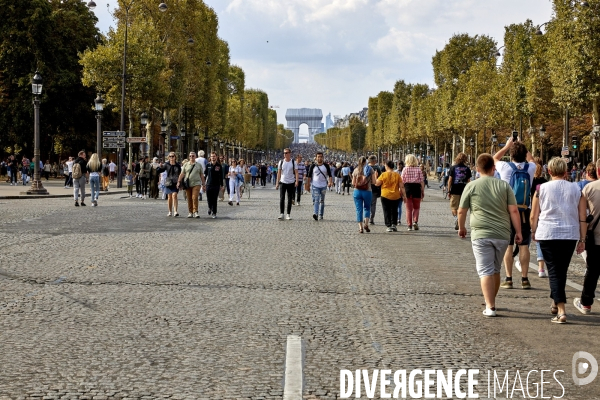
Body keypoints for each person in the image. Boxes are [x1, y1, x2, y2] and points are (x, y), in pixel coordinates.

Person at [458, 154, 523, 317]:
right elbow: (513, 210)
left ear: (478, 169)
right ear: (494, 169)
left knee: (485, 270)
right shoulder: (504, 186)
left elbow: (461, 210)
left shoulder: (471, 186)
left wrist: (461, 227)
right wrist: (519, 232)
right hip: (502, 233)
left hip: (481, 232)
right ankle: (491, 299)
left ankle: (490, 306)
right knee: (495, 269)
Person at [530, 157, 587, 323]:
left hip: (548, 233)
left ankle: (561, 311)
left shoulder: (541, 189)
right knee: (560, 270)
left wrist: (533, 230)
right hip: (569, 234)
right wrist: (582, 238)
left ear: (549, 171)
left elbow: (534, 214)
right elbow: (582, 216)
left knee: (554, 272)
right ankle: (555, 302)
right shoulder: (576, 189)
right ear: (566, 171)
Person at [493, 137, 536, 290]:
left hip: (508, 210)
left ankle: (509, 278)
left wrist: (506, 146)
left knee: (508, 244)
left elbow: (494, 159)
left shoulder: (505, 167)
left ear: (511, 155)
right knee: (524, 245)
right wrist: (524, 146)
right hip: (525, 210)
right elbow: (532, 160)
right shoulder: (530, 168)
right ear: (524, 154)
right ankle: (525, 279)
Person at [575, 158, 600, 314]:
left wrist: (582, 239)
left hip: (595, 236)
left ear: (598, 171)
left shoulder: (589, 188)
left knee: (592, 270)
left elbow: (582, 217)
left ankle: (586, 303)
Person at [375, 160, 405, 232]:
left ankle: (388, 225)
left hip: (385, 195)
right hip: (395, 195)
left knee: (386, 210)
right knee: (394, 210)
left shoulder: (383, 174)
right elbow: (402, 187)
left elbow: (377, 184)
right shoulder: (397, 175)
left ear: (387, 166)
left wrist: (375, 177)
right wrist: (404, 196)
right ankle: (394, 224)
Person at [305, 151, 333, 221]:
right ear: (316, 158)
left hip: (323, 186)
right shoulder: (313, 166)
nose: (320, 158)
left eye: (321, 157)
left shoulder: (326, 166)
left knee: (322, 201)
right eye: (318, 157)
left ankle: (321, 214)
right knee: (316, 200)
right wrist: (307, 185)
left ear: (323, 158)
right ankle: (315, 213)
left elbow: (330, 175)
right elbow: (309, 176)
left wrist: (330, 182)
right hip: (315, 185)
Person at [352, 156, 376, 233]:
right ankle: (366, 224)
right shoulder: (370, 169)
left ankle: (360, 228)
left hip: (357, 191)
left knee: (359, 209)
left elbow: (353, 183)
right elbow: (374, 182)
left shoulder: (356, 170)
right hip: (367, 191)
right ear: (366, 162)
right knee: (367, 208)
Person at [448, 153, 472, 230]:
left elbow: (450, 180)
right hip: (464, 190)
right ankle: (459, 220)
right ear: (465, 159)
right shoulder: (467, 169)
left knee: (453, 208)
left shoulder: (453, 168)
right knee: (462, 207)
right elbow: (469, 181)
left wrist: (448, 190)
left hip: (454, 190)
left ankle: (456, 219)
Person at [178, 152, 205, 218]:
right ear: (189, 157)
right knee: (189, 198)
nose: (191, 157)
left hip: (196, 183)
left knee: (194, 197)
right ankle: (190, 212)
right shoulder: (186, 165)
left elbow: (201, 175)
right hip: (188, 184)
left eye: (193, 156)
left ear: (195, 157)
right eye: (190, 156)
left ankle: (195, 211)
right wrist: (178, 181)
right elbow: (182, 174)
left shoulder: (199, 165)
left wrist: (203, 184)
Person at [401, 154, 424, 231]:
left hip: (407, 188)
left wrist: (401, 191)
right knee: (416, 207)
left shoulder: (405, 169)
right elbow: (421, 181)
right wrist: (422, 191)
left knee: (408, 209)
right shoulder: (418, 169)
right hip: (417, 188)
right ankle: (415, 221)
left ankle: (409, 225)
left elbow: (402, 181)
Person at [276, 148, 299, 220]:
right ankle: (282, 213)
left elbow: (296, 172)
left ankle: (288, 214)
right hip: (283, 182)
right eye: (284, 153)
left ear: (289, 153)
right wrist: (277, 183)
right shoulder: (281, 162)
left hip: (291, 182)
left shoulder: (293, 162)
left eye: (286, 153)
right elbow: (279, 173)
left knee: (289, 199)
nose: (285, 154)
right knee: (282, 198)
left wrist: (297, 181)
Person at [160, 152, 182, 216]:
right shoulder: (166, 164)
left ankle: (175, 211)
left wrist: (180, 182)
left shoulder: (178, 165)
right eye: (170, 156)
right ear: (168, 157)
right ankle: (170, 211)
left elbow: (180, 174)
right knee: (169, 197)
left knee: (174, 195)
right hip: (168, 182)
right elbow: (161, 170)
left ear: (175, 157)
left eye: (173, 156)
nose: (171, 158)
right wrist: (160, 167)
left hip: (175, 182)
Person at [204, 152, 223, 218]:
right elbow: (205, 175)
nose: (213, 158)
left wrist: (222, 185)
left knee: (214, 199)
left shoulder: (219, 165)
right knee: (209, 198)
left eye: (214, 156)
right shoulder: (207, 165)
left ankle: (214, 212)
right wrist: (203, 184)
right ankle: (210, 207)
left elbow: (221, 176)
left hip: (216, 184)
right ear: (210, 157)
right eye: (212, 156)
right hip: (208, 184)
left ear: (216, 157)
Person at [368, 155, 382, 225]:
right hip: (374, 188)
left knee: (366, 204)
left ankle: (366, 217)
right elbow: (380, 178)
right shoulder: (377, 168)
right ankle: (371, 218)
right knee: (373, 204)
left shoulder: (365, 167)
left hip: (366, 188)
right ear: (374, 161)